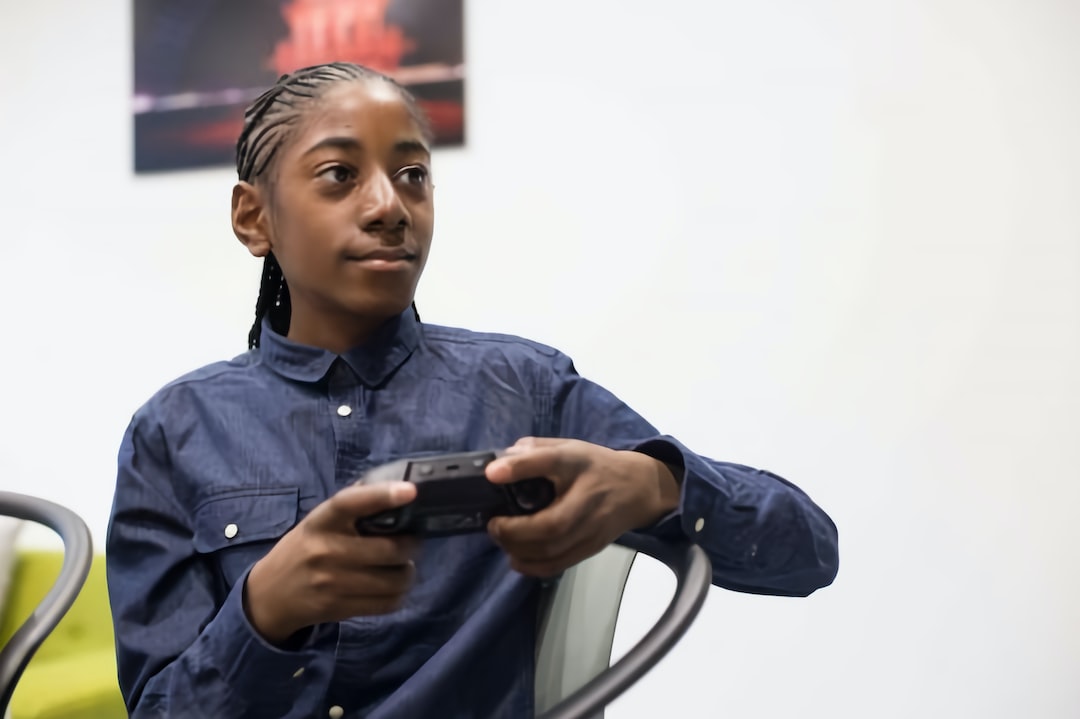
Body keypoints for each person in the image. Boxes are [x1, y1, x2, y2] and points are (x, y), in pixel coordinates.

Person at [106, 62, 839, 719]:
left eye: (413, 175)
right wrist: (264, 614)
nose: (389, 205)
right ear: (253, 217)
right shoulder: (173, 431)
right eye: (339, 174)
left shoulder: (526, 388)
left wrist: (656, 481)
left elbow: (808, 550)